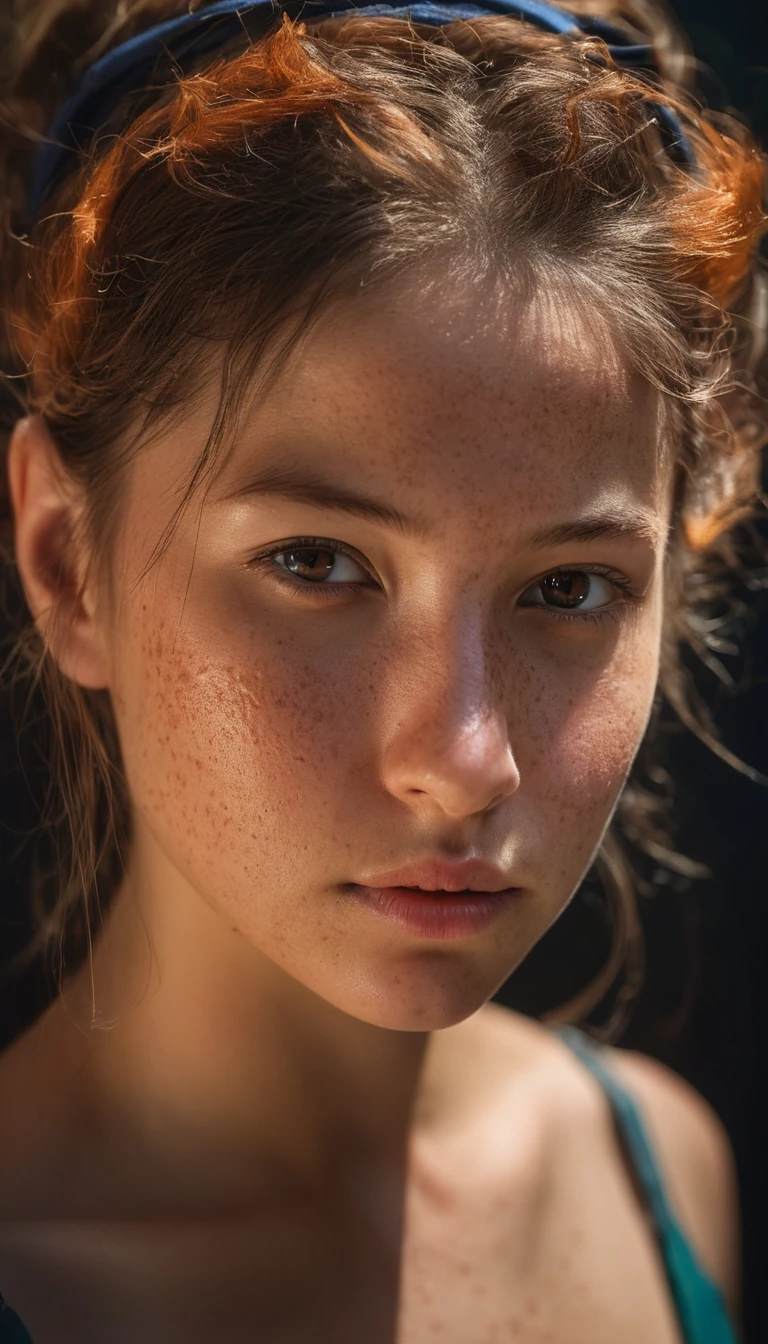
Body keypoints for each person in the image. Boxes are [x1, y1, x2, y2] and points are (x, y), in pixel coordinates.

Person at [0, 0, 763, 1339]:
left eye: (568, 588)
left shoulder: (659, 1170)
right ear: (67, 562)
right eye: (316, 562)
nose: (465, 761)